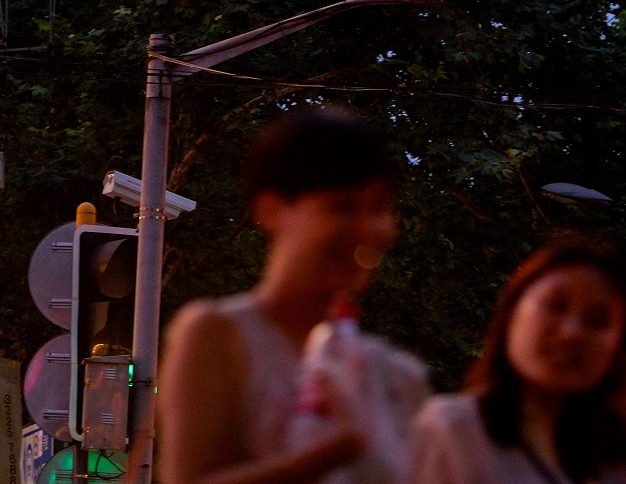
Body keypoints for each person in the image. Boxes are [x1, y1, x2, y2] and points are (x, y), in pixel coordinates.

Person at [158, 104, 426, 484]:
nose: (367, 228)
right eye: (342, 207)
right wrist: (330, 454)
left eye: (379, 208)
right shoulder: (217, 334)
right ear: (272, 210)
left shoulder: (395, 374)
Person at [410, 235, 626, 484]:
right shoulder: (454, 430)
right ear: (511, 314)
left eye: (597, 321)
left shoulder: (620, 462)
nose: (571, 333)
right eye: (555, 305)